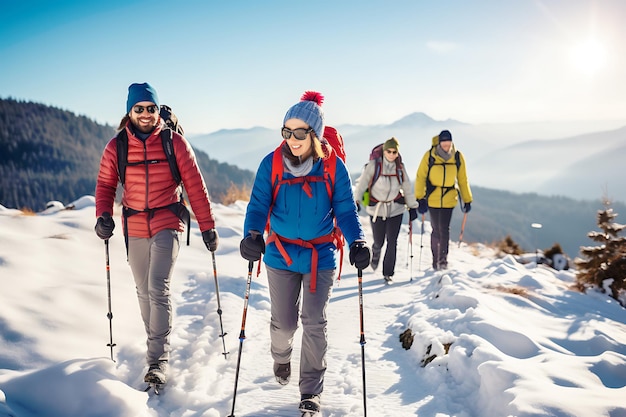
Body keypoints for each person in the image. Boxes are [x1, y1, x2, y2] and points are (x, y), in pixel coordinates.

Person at [239, 91, 371, 415]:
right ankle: (281, 356)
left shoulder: (333, 167)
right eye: (287, 132)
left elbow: (346, 211)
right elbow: (257, 206)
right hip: (280, 255)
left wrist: (357, 241)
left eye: (300, 133)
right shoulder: (270, 164)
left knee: (314, 322)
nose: (292, 139)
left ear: (315, 134)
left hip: (319, 255)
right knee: (284, 325)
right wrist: (252, 235)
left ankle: (310, 391)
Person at [94, 82, 219, 386]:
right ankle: (156, 343)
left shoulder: (174, 143)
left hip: (167, 222)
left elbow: (195, 186)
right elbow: (105, 185)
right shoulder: (117, 146)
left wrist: (207, 226)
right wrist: (103, 215)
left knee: (157, 286)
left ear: (157, 110)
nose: (146, 114)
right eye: (140, 109)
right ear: (130, 111)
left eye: (151, 108)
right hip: (134, 225)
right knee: (142, 289)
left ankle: (157, 360)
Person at [353, 137, 418, 283]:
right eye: (389, 151)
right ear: (384, 151)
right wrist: (356, 201)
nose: (392, 154)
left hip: (396, 209)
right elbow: (362, 183)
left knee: (392, 241)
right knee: (379, 241)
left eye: (395, 151)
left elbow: (406, 187)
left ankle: (388, 273)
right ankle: (375, 255)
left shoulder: (400, 167)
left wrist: (413, 206)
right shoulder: (374, 165)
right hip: (377, 209)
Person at [414, 129, 472, 270]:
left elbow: (463, 179)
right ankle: (435, 260)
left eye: (449, 143)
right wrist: (420, 198)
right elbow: (420, 177)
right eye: (444, 144)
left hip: (449, 197)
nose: (447, 147)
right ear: (439, 143)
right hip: (432, 198)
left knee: (444, 229)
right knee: (436, 229)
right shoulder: (430, 156)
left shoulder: (458, 157)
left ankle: (443, 260)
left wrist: (467, 199)